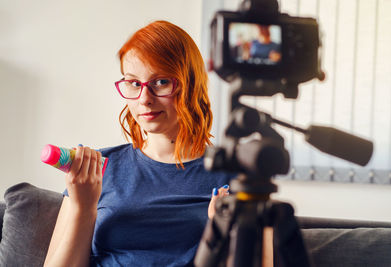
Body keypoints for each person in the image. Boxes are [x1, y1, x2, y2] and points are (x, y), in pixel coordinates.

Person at [44, 20, 273, 267]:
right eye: (134, 83)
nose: (144, 99)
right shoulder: (94, 168)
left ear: (190, 86)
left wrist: (225, 237)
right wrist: (83, 207)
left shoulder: (240, 175)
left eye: (161, 82)